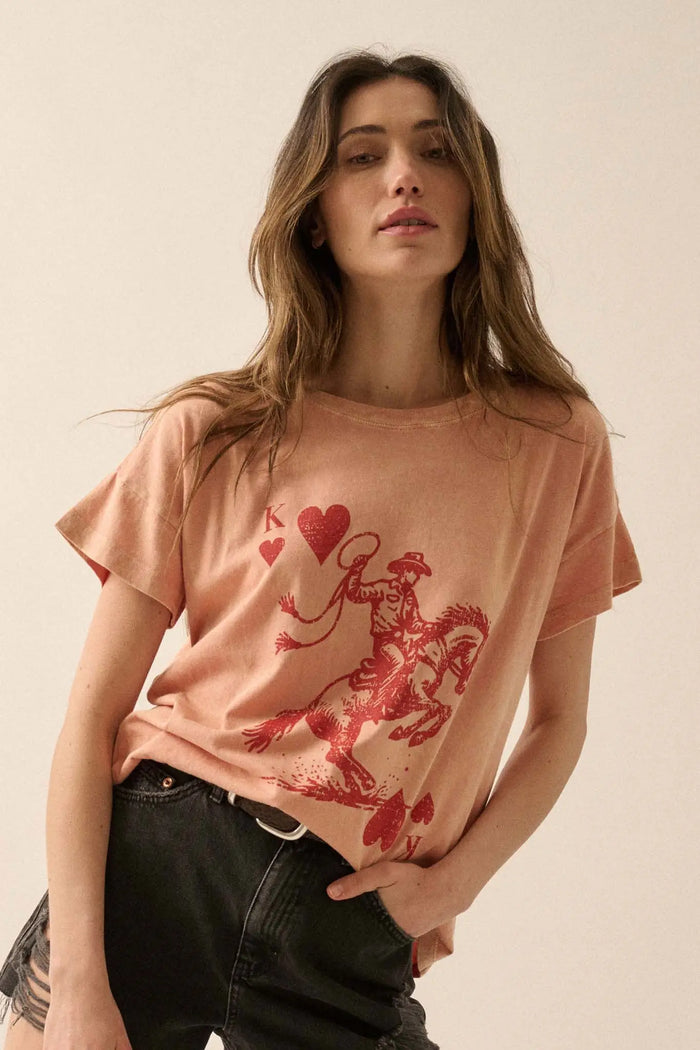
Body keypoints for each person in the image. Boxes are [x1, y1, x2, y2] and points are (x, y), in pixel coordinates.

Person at [0, 47, 643, 1050]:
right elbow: (90, 721)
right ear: (314, 211)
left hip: (342, 923)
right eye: (363, 155)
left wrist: (451, 885)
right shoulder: (213, 432)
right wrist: (80, 980)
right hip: (153, 871)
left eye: (436, 150)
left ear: (475, 196)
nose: (404, 177)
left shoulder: (555, 443)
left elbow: (558, 720)